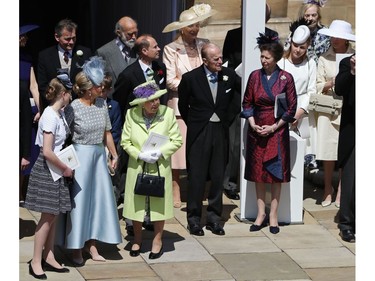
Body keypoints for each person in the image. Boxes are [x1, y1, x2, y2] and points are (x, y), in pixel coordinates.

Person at [62, 56, 122, 265]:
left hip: (98, 158)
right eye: (98, 86)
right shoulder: (74, 107)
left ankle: (93, 245)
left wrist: (114, 155)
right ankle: (76, 248)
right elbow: (64, 135)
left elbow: (107, 132)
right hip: (80, 158)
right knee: (80, 204)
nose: (102, 89)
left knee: (98, 202)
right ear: (89, 89)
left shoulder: (102, 104)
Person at [178, 43, 240, 236]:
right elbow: (183, 104)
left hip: (220, 130)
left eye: (221, 57)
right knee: (196, 176)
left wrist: (224, 120)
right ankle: (194, 219)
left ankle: (214, 218)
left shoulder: (229, 76)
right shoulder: (191, 78)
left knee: (217, 175)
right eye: (216, 59)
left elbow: (236, 100)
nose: (220, 61)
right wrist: (198, 123)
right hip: (199, 132)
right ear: (205, 60)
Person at [241, 33, 297, 234]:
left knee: (275, 173)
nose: (264, 61)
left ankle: (273, 215)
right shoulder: (254, 76)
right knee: (258, 173)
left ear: (277, 58)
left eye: (267, 58)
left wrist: (274, 126)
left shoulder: (286, 78)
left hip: (277, 130)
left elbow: (291, 108)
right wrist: (253, 123)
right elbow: (247, 102)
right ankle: (260, 213)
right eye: (262, 57)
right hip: (256, 129)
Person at [221, 2, 278, 200]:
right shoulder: (233, 35)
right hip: (238, 93)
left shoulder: (272, 34)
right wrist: (242, 81)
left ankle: (258, 179)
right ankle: (230, 182)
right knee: (235, 142)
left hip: (265, 96)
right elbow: (226, 65)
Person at [162, 3, 216, 208]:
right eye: (190, 26)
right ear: (181, 28)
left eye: (197, 25)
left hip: (203, 106)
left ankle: (198, 187)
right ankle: (176, 187)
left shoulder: (205, 44)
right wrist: (191, 90)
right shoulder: (171, 49)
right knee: (178, 151)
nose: (195, 29)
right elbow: (169, 80)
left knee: (201, 150)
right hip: (180, 105)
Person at [121, 80, 182, 259]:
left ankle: (157, 241)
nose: (156, 103)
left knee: (158, 205)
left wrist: (160, 153)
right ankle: (137, 240)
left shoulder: (168, 114)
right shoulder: (131, 114)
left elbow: (176, 140)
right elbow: (125, 141)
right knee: (137, 205)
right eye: (151, 100)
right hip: (138, 166)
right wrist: (139, 154)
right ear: (141, 103)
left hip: (159, 166)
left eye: (157, 99)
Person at [24, 71, 74, 279]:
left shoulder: (59, 114)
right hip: (48, 170)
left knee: (53, 215)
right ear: (63, 94)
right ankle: (36, 261)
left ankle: (49, 255)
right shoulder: (49, 116)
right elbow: (46, 150)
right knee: (47, 217)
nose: (71, 97)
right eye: (69, 93)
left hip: (56, 170)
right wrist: (65, 167)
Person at [315, 20, 355, 207]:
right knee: (328, 152)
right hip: (328, 110)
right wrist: (330, 83)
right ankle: (327, 189)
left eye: (338, 36)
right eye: (332, 36)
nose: (334, 39)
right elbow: (316, 85)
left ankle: (341, 191)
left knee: (346, 153)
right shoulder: (324, 58)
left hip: (348, 110)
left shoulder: (355, 57)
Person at [278, 20, 317, 163]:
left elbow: (312, 90)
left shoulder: (310, 64)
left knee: (301, 151)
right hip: (282, 110)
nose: (298, 50)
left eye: (302, 47)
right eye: (295, 45)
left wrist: (299, 113)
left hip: (302, 111)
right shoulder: (281, 62)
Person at [37, 18, 92, 111]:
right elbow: (43, 86)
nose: (71, 42)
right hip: (55, 108)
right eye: (67, 39)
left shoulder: (86, 53)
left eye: (73, 38)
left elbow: (90, 81)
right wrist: (57, 103)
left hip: (81, 107)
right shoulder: (45, 56)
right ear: (57, 37)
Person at [113, 34, 167, 120]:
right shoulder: (127, 74)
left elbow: (163, 92)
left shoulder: (160, 67)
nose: (159, 49)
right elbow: (120, 102)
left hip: (158, 118)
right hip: (137, 120)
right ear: (144, 51)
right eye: (155, 47)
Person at [20, 24, 41, 205]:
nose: (25, 39)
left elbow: (33, 86)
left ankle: (19, 193)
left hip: (24, 110)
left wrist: (41, 109)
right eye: (23, 36)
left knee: (25, 153)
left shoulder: (26, 58)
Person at [335, 54, 355, 243]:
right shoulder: (346, 63)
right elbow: (339, 88)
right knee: (351, 178)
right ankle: (347, 224)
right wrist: (352, 72)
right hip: (354, 130)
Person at [95, 16, 138, 98]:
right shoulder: (103, 52)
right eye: (130, 34)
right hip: (114, 102)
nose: (134, 37)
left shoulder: (138, 50)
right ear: (119, 33)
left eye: (135, 33)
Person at [100, 73, 123, 201]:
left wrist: (109, 148)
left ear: (109, 90)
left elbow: (115, 130)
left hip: (109, 148)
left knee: (112, 181)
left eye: (104, 91)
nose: (100, 93)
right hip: (95, 147)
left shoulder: (113, 106)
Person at [298, 0, 331, 64]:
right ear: (302, 17)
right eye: (307, 15)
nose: (310, 18)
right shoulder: (296, 32)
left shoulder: (326, 33)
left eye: (314, 15)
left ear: (318, 16)